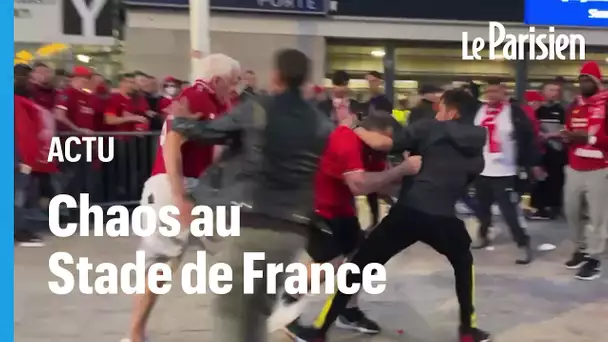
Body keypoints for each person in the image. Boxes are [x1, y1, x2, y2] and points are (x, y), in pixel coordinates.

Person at [294, 89, 492, 342]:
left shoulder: (429, 128)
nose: (437, 113)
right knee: (464, 265)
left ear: (452, 112)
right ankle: (468, 330)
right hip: (444, 218)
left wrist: (354, 128)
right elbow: (463, 181)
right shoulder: (477, 150)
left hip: (409, 214)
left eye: (441, 108)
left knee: (357, 267)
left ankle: (319, 331)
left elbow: (386, 143)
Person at [169, 49, 333, 342]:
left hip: (252, 223)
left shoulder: (259, 108)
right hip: (293, 231)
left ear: (276, 76)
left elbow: (208, 131)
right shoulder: (320, 122)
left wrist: (179, 120)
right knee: (256, 314)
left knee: (231, 315)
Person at [123, 54, 240, 342]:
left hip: (193, 187)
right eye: (233, 83)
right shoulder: (197, 97)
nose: (235, 89)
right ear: (217, 80)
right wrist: (179, 196)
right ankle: (134, 334)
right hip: (175, 187)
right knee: (163, 263)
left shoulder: (210, 101)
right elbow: (174, 142)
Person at [281, 114, 421, 339]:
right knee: (329, 263)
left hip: (342, 209)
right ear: (381, 131)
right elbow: (359, 184)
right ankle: (286, 308)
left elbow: (381, 185)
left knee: (359, 258)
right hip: (315, 207)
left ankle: (348, 310)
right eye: (390, 139)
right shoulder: (345, 138)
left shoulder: (375, 151)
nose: (391, 146)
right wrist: (401, 170)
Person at [470, 78, 544, 265]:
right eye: (489, 91)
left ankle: (523, 244)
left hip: (506, 171)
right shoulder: (478, 111)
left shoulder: (514, 112)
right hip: (481, 169)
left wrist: (531, 163)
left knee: (509, 212)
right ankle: (483, 236)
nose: (492, 95)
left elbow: (528, 139)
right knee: (482, 209)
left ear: (504, 93)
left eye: (496, 91)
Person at [561, 61, 608, 281]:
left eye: (588, 79)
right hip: (574, 167)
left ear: (598, 82)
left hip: (599, 168)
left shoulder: (606, 104)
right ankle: (580, 248)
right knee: (571, 211)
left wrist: (588, 138)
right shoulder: (575, 105)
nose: (583, 83)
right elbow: (571, 129)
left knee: (598, 217)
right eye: (581, 79)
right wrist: (567, 136)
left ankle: (595, 258)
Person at [530, 83, 567, 220]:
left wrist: (550, 136)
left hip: (557, 150)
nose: (555, 92)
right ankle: (539, 207)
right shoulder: (535, 110)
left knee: (556, 179)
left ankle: (554, 207)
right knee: (539, 179)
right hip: (539, 150)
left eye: (557, 90)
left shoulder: (562, 110)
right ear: (543, 92)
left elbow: (565, 130)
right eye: (551, 90)